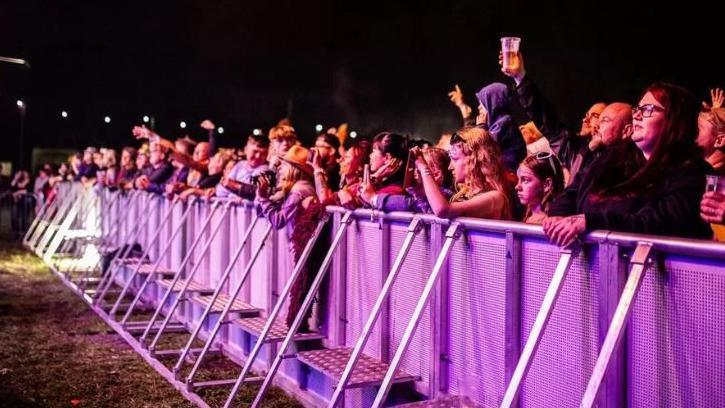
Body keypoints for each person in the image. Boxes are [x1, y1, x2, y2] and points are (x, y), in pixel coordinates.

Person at [544, 82, 713, 246]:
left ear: (674, 120)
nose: (637, 115)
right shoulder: (613, 157)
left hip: (656, 271)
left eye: (648, 109)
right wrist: (559, 215)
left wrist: (591, 222)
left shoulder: (692, 172)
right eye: (638, 109)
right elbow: (574, 191)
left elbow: (658, 223)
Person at [255, 145, 323, 332]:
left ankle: (298, 327)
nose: (280, 169)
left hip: (304, 247)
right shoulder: (293, 188)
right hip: (298, 245)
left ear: (294, 169)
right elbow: (262, 213)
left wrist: (262, 198)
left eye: (284, 165)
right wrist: (263, 195)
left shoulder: (300, 189)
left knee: (300, 289)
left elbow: (278, 220)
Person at [410, 126, 510, 219]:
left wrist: (424, 168)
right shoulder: (462, 194)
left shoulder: (496, 198)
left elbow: (442, 210)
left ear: (474, 160)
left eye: (455, 159)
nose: (450, 167)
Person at [360, 146, 454, 213]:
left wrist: (373, 198)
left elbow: (409, 204)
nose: (414, 172)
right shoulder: (420, 194)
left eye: (419, 167)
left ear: (436, 174)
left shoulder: (445, 195)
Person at [314, 140, 371, 208]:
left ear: (360, 167)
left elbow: (324, 198)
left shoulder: (361, 189)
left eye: (347, 157)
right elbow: (324, 197)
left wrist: (317, 168)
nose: (341, 159)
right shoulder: (346, 188)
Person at [515, 152, 565, 224]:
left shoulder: (548, 223)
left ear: (547, 184)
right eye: (518, 179)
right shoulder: (529, 217)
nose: (517, 187)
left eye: (525, 180)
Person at [218, 134, 270, 199]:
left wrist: (234, 186)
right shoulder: (240, 165)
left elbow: (255, 193)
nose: (258, 156)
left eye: (263, 154)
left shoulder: (266, 169)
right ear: (246, 150)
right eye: (255, 151)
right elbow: (221, 190)